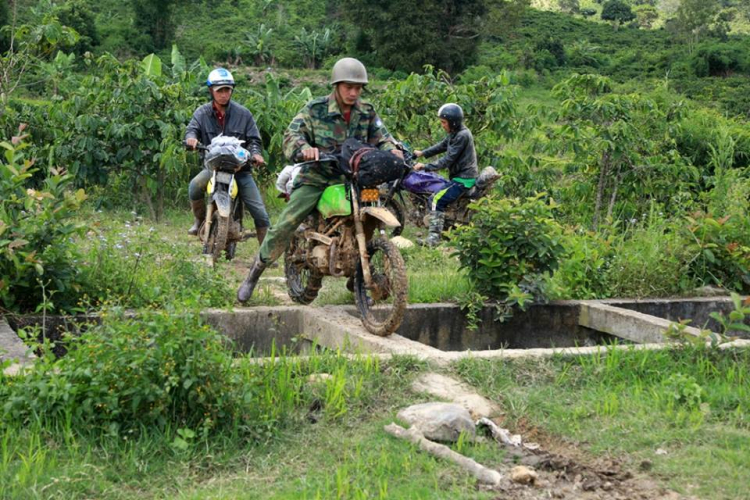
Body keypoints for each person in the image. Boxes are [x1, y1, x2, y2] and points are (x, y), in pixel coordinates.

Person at [237, 57, 403, 303]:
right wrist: (303, 147)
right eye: (349, 87)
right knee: (286, 222)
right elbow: (291, 134)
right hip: (317, 177)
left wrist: (393, 150)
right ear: (337, 85)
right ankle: (255, 272)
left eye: (358, 88)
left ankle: (357, 277)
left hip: (354, 178)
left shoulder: (366, 112)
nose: (354, 92)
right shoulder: (315, 109)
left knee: (371, 216)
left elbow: (383, 137)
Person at [184, 68, 271, 244]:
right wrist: (191, 139)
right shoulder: (202, 113)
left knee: (260, 212)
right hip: (214, 167)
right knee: (194, 186)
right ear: (211, 91)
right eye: (220, 90)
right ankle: (200, 220)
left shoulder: (244, 114)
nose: (224, 94)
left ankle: (265, 255)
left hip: (240, 170)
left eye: (227, 90)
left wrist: (256, 154)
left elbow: (254, 140)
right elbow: (192, 129)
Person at [413, 103, 478, 247]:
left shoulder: (462, 135)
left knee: (436, 199)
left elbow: (448, 160)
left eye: (444, 122)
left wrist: (425, 166)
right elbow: (442, 145)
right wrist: (423, 153)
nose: (442, 125)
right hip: (460, 177)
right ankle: (444, 230)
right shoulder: (455, 133)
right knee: (434, 197)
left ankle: (433, 240)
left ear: (453, 122)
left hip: (464, 179)